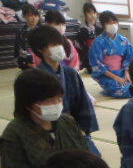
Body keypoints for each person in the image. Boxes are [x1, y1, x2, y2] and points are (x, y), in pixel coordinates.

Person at [29, 25, 100, 155]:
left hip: (73, 128)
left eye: (59, 43)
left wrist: (83, 130)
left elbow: (83, 103)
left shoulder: (70, 73)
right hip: (46, 130)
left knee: (94, 159)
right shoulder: (34, 78)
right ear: (40, 49)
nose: (59, 47)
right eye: (53, 45)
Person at [90, 11, 133, 98]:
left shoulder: (123, 40)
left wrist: (127, 73)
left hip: (123, 72)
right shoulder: (98, 42)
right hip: (107, 75)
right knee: (120, 89)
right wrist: (116, 78)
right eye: (109, 23)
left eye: (114, 22)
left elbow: (129, 57)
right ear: (103, 25)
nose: (112, 25)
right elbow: (97, 64)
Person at [76, 2, 103, 73]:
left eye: (94, 13)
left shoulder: (101, 28)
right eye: (89, 13)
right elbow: (80, 47)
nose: (93, 15)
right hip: (89, 59)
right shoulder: (82, 30)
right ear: (85, 15)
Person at [14, 3, 40, 69]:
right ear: (24, 16)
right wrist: (17, 59)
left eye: (36, 15)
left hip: (40, 60)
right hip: (26, 60)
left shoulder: (42, 30)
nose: (34, 18)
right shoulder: (21, 31)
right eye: (30, 15)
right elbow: (17, 47)